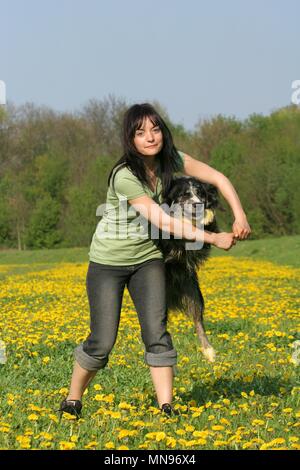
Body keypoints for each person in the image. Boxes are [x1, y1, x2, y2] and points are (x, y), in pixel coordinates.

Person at [58, 103, 251, 418]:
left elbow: (217, 177)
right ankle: (73, 398)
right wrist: (214, 237)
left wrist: (240, 214)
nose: (150, 137)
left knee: (157, 333)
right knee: (102, 341)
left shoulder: (171, 161)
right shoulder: (124, 175)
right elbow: (162, 220)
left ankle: (167, 407)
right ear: (130, 138)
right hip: (108, 263)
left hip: (148, 259)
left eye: (155, 129)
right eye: (140, 132)